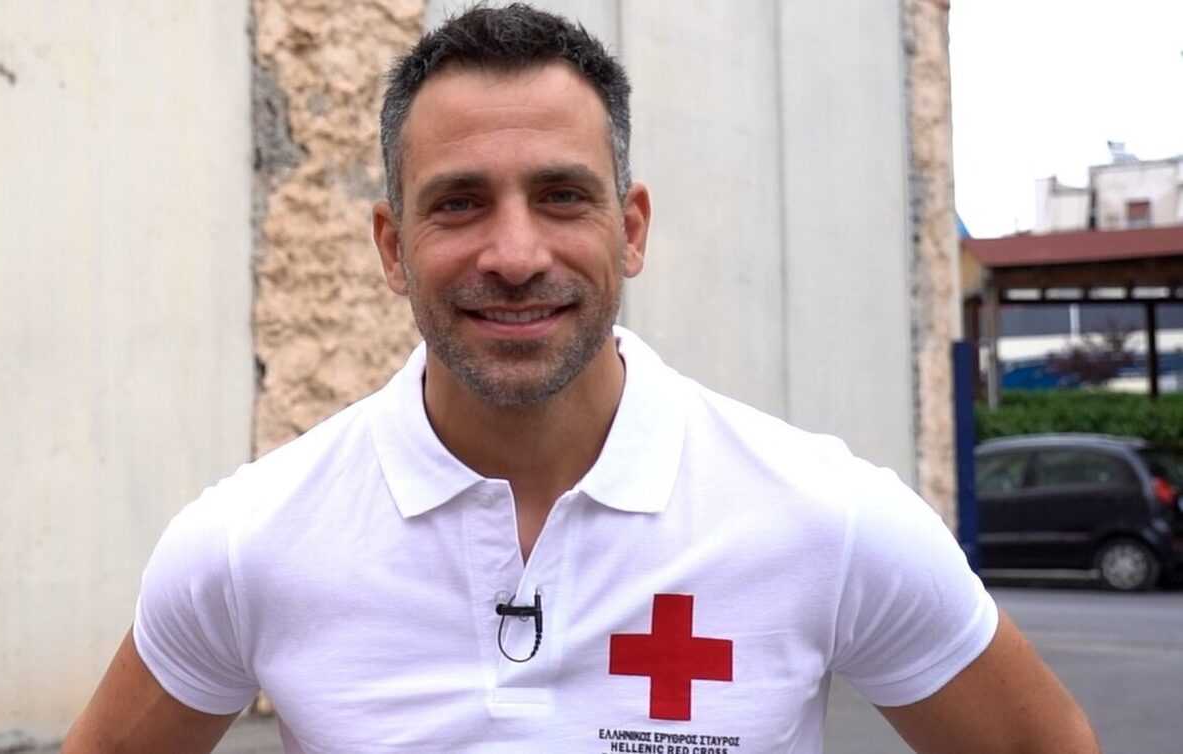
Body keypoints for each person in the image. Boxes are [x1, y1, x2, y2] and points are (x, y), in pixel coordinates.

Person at [63, 5, 1100, 753]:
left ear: (630, 228)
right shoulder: (248, 542)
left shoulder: (827, 519)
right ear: (391, 246)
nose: (515, 254)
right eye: (458, 202)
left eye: (562, 195)